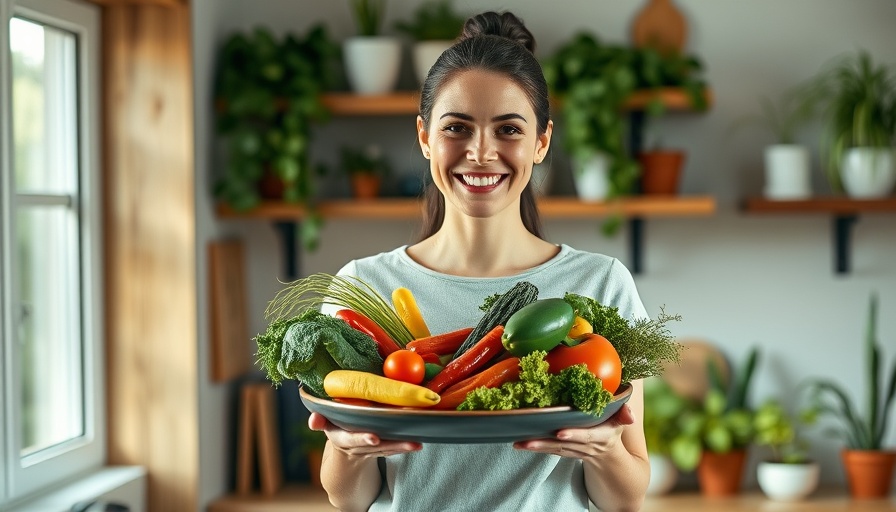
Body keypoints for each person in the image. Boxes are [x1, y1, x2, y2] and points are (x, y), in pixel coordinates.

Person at [309, 11, 650, 512]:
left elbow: (626, 497)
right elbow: (348, 498)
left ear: (541, 142)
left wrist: (603, 452)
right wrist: (348, 452)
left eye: (509, 129)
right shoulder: (363, 286)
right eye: (457, 128)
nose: (480, 152)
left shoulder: (599, 284)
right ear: (425, 137)